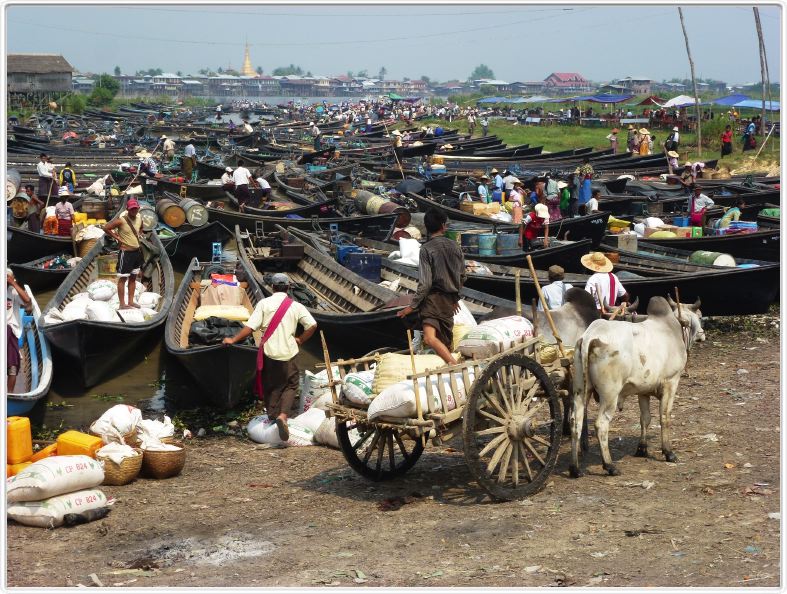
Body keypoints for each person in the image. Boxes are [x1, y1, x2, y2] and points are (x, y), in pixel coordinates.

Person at [222, 273, 317, 441]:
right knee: (291, 385)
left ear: (272, 287)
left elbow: (250, 327)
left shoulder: (264, 304)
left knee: (271, 386)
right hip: (289, 353)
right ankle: (283, 415)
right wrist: (300, 339)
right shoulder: (296, 306)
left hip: (269, 353)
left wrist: (233, 339)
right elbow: (312, 325)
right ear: (288, 288)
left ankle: (273, 416)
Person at [396, 209, 465, 365]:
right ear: (443, 226)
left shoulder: (426, 249)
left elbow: (425, 284)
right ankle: (451, 364)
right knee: (445, 342)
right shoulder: (456, 247)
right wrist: (455, 298)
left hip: (434, 300)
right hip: (449, 302)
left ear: (427, 227)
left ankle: (455, 365)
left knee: (429, 338)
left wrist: (412, 306)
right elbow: (462, 276)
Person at [102, 198, 145, 309]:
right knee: (123, 279)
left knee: (133, 278)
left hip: (137, 252)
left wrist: (140, 234)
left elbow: (141, 227)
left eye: (135, 209)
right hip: (126, 253)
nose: (134, 211)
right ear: (127, 209)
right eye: (132, 209)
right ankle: (122, 304)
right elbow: (106, 227)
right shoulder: (121, 220)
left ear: (138, 208)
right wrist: (117, 238)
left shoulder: (139, 217)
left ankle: (130, 301)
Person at [7, 270, 32, 392]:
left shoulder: (13, 291)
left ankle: (9, 394)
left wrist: (13, 284)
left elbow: (27, 300)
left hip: (10, 331)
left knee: (12, 365)